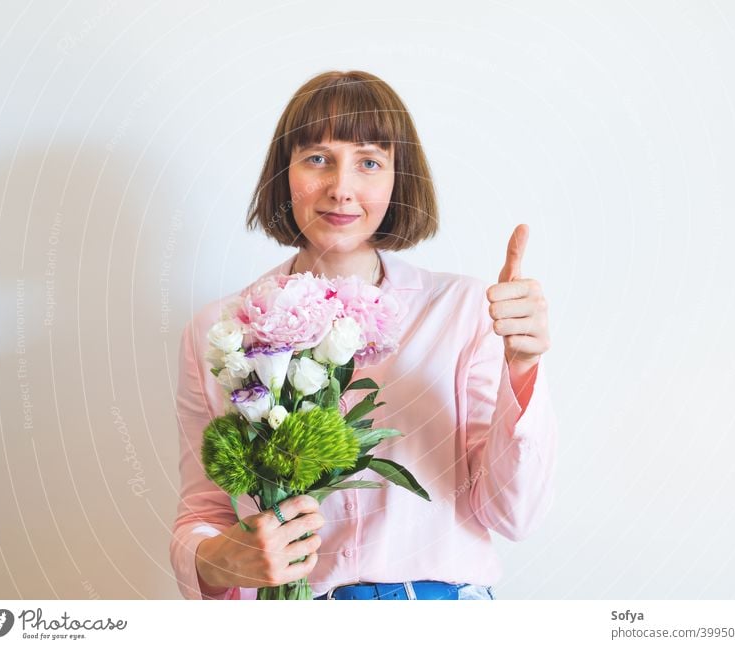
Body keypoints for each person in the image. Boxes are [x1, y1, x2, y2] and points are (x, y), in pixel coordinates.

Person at [169, 70, 557, 601]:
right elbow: (203, 514)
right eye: (317, 158)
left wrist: (523, 367)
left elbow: (513, 514)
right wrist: (226, 558)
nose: (341, 188)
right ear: (284, 173)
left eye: (369, 162)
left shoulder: (464, 311)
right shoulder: (219, 331)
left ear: (400, 180)